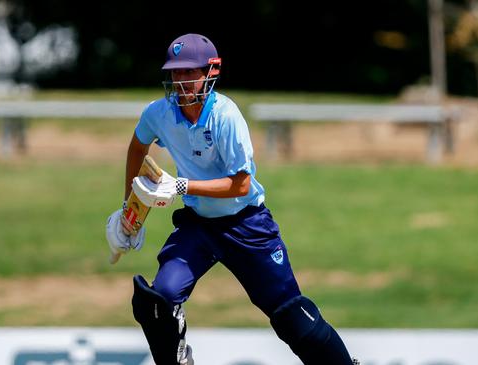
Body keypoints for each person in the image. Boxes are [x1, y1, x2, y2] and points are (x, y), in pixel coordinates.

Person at [106, 33, 356, 365]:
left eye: (189, 72)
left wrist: (180, 187)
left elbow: (241, 185)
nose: (181, 80)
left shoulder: (226, 115)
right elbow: (137, 147)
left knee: (291, 317)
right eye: (176, 72)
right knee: (159, 300)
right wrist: (129, 210)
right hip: (198, 226)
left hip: (247, 225)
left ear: (211, 71)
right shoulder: (159, 113)